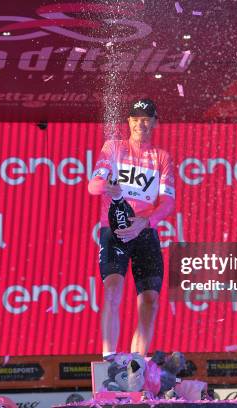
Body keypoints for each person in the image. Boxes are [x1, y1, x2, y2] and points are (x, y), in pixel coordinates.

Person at [88, 98, 175, 358]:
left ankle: (138, 364)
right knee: (113, 290)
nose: (141, 124)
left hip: (145, 232)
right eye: (136, 119)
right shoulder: (113, 147)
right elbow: (93, 186)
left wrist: (145, 222)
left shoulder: (161, 157)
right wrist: (108, 187)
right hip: (115, 232)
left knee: (150, 301)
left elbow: (168, 201)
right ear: (128, 122)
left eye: (146, 119)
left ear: (155, 123)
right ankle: (109, 359)